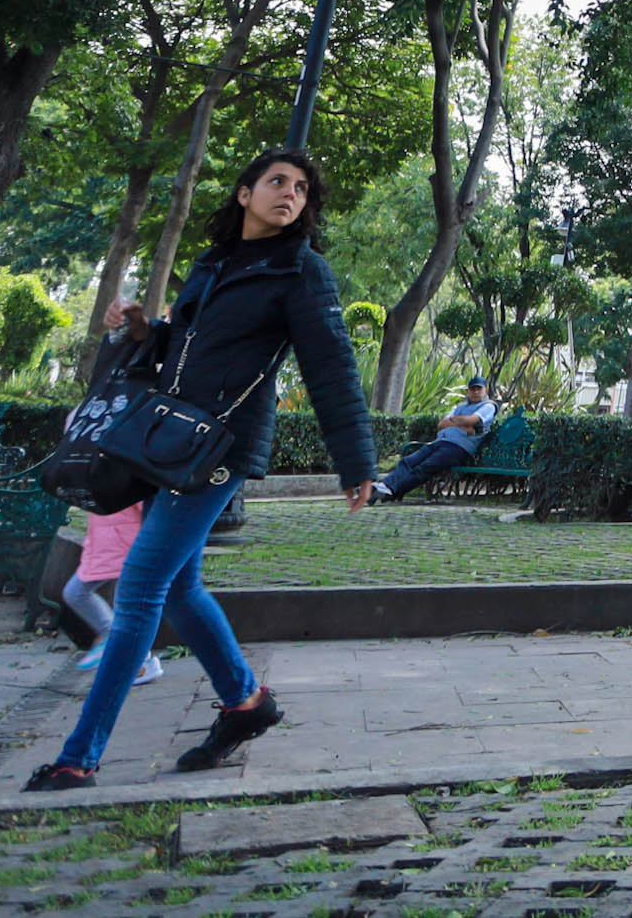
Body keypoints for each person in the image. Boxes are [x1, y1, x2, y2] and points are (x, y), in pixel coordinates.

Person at [22, 147, 375, 792]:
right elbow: (180, 349)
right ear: (244, 194)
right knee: (179, 590)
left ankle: (80, 756)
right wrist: (139, 330)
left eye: (300, 188)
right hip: (166, 444)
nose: (289, 194)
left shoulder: (301, 271)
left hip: (220, 449)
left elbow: (331, 367)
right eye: (276, 182)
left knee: (139, 588)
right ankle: (245, 705)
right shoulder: (212, 265)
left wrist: (356, 463)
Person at [61, 502, 160, 686]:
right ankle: (120, 645)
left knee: (124, 604)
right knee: (78, 593)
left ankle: (137, 662)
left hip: (123, 542)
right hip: (107, 542)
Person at [364, 378, 501, 503]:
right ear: (468, 391)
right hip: (440, 442)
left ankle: (388, 491)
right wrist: (464, 424)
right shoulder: (460, 407)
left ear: (486, 390)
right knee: (408, 461)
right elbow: (441, 424)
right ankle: (385, 487)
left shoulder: (488, 406)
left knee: (424, 468)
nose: (476, 392)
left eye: (479, 389)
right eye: (473, 389)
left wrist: (458, 421)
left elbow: (472, 420)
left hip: (459, 448)